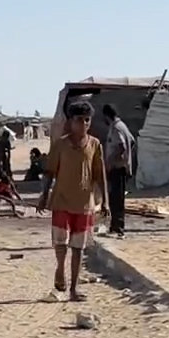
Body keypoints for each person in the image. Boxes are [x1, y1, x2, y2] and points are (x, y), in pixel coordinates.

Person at [38, 100, 106, 300]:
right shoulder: (60, 145)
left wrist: (106, 201)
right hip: (61, 201)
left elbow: (99, 174)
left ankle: (74, 289)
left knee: (78, 248)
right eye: (79, 120)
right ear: (70, 122)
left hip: (84, 204)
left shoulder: (94, 145)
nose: (84, 124)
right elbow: (50, 172)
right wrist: (44, 195)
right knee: (60, 243)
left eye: (87, 120)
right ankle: (60, 269)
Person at [99, 104, 136, 238]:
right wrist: (127, 158)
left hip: (117, 168)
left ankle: (118, 228)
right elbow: (132, 141)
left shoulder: (116, 128)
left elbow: (121, 146)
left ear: (106, 115)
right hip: (120, 167)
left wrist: (112, 161)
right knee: (115, 198)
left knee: (117, 199)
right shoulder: (122, 126)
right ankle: (115, 226)